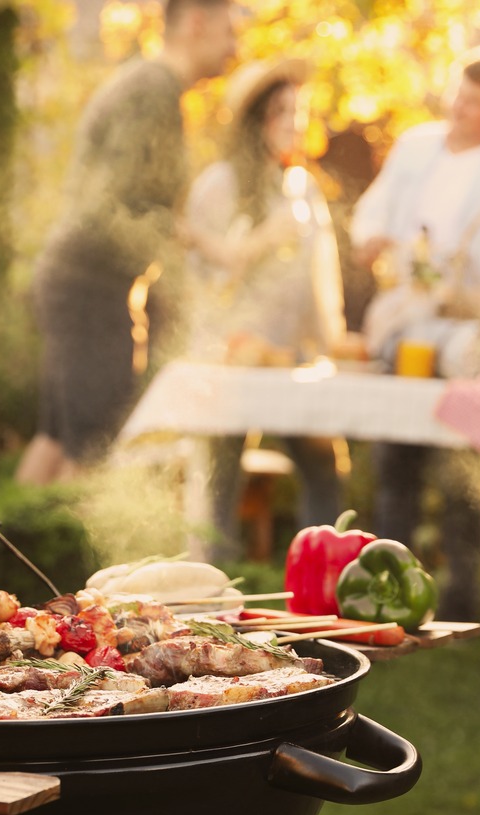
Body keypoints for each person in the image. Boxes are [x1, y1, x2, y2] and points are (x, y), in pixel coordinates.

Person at [16, 0, 237, 485]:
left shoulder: (149, 86)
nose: (235, 44)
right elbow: (119, 205)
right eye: (229, 30)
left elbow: (132, 201)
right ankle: (63, 560)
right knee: (90, 451)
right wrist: (184, 274)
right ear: (196, 23)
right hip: (93, 286)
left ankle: (7, 557)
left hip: (76, 281)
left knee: (57, 438)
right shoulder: (153, 90)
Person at [348, 53, 480, 620]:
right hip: (407, 318)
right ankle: (385, 587)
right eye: (459, 94)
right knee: (398, 455)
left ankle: (460, 592)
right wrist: (372, 235)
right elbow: (374, 207)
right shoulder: (416, 146)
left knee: (460, 460)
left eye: (475, 101)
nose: (460, 108)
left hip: (465, 327)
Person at [182, 58, 347, 557]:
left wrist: (331, 339)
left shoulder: (302, 187)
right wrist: (259, 241)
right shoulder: (220, 183)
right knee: (220, 477)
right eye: (281, 112)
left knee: (324, 467)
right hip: (231, 357)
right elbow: (202, 280)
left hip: (290, 359)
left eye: (299, 112)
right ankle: (211, 593)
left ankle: (327, 577)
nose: (293, 124)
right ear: (254, 119)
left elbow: (321, 276)